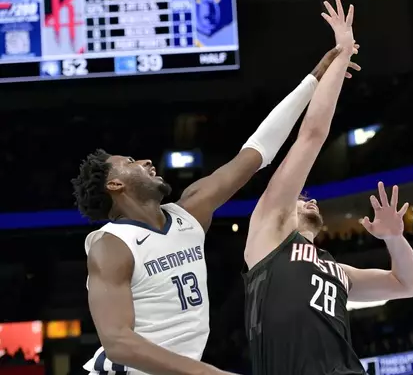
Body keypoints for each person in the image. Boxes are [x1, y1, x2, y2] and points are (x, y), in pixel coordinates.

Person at [71, 43, 360, 375]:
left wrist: (313, 80)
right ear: (115, 185)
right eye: (130, 162)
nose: (145, 161)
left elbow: (256, 152)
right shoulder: (111, 245)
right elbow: (118, 342)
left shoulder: (190, 212)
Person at [243, 0, 413, 375]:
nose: (307, 199)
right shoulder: (269, 232)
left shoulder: (337, 271)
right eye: (300, 197)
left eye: (308, 197)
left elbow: (408, 285)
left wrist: (394, 239)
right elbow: (311, 136)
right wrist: (341, 53)